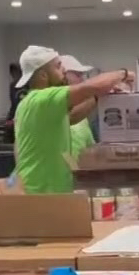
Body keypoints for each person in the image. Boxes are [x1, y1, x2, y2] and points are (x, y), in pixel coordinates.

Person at [13, 45, 132, 193]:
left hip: (50, 191)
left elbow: (71, 118)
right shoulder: (41, 100)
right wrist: (123, 73)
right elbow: (93, 86)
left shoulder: (37, 104)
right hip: (43, 194)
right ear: (43, 75)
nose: (63, 70)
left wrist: (97, 97)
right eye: (57, 67)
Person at [59, 54, 98, 157]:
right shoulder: (51, 107)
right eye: (78, 75)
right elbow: (69, 117)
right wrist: (98, 95)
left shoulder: (82, 116)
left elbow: (90, 147)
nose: (82, 80)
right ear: (63, 76)